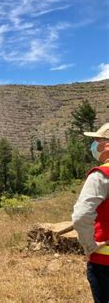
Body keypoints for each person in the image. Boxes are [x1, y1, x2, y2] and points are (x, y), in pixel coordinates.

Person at [72, 123, 109, 303]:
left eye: (97, 140)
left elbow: (81, 216)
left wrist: (89, 246)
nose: (94, 145)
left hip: (104, 262)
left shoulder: (101, 175)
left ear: (108, 145)